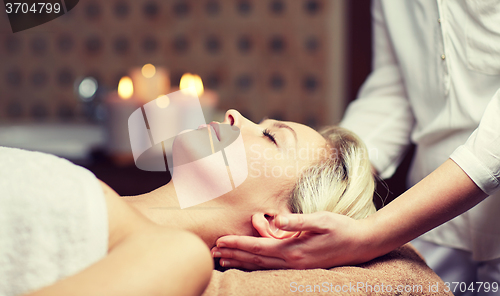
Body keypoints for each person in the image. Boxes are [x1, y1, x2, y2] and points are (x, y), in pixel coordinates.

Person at [211, 1, 500, 294]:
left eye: (270, 137)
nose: (232, 115)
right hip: (436, 222)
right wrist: (329, 179)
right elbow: (394, 89)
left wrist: (369, 235)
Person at [0, 109, 376, 296]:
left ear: (279, 223)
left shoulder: (177, 255)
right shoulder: (92, 192)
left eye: (271, 137)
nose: (234, 114)